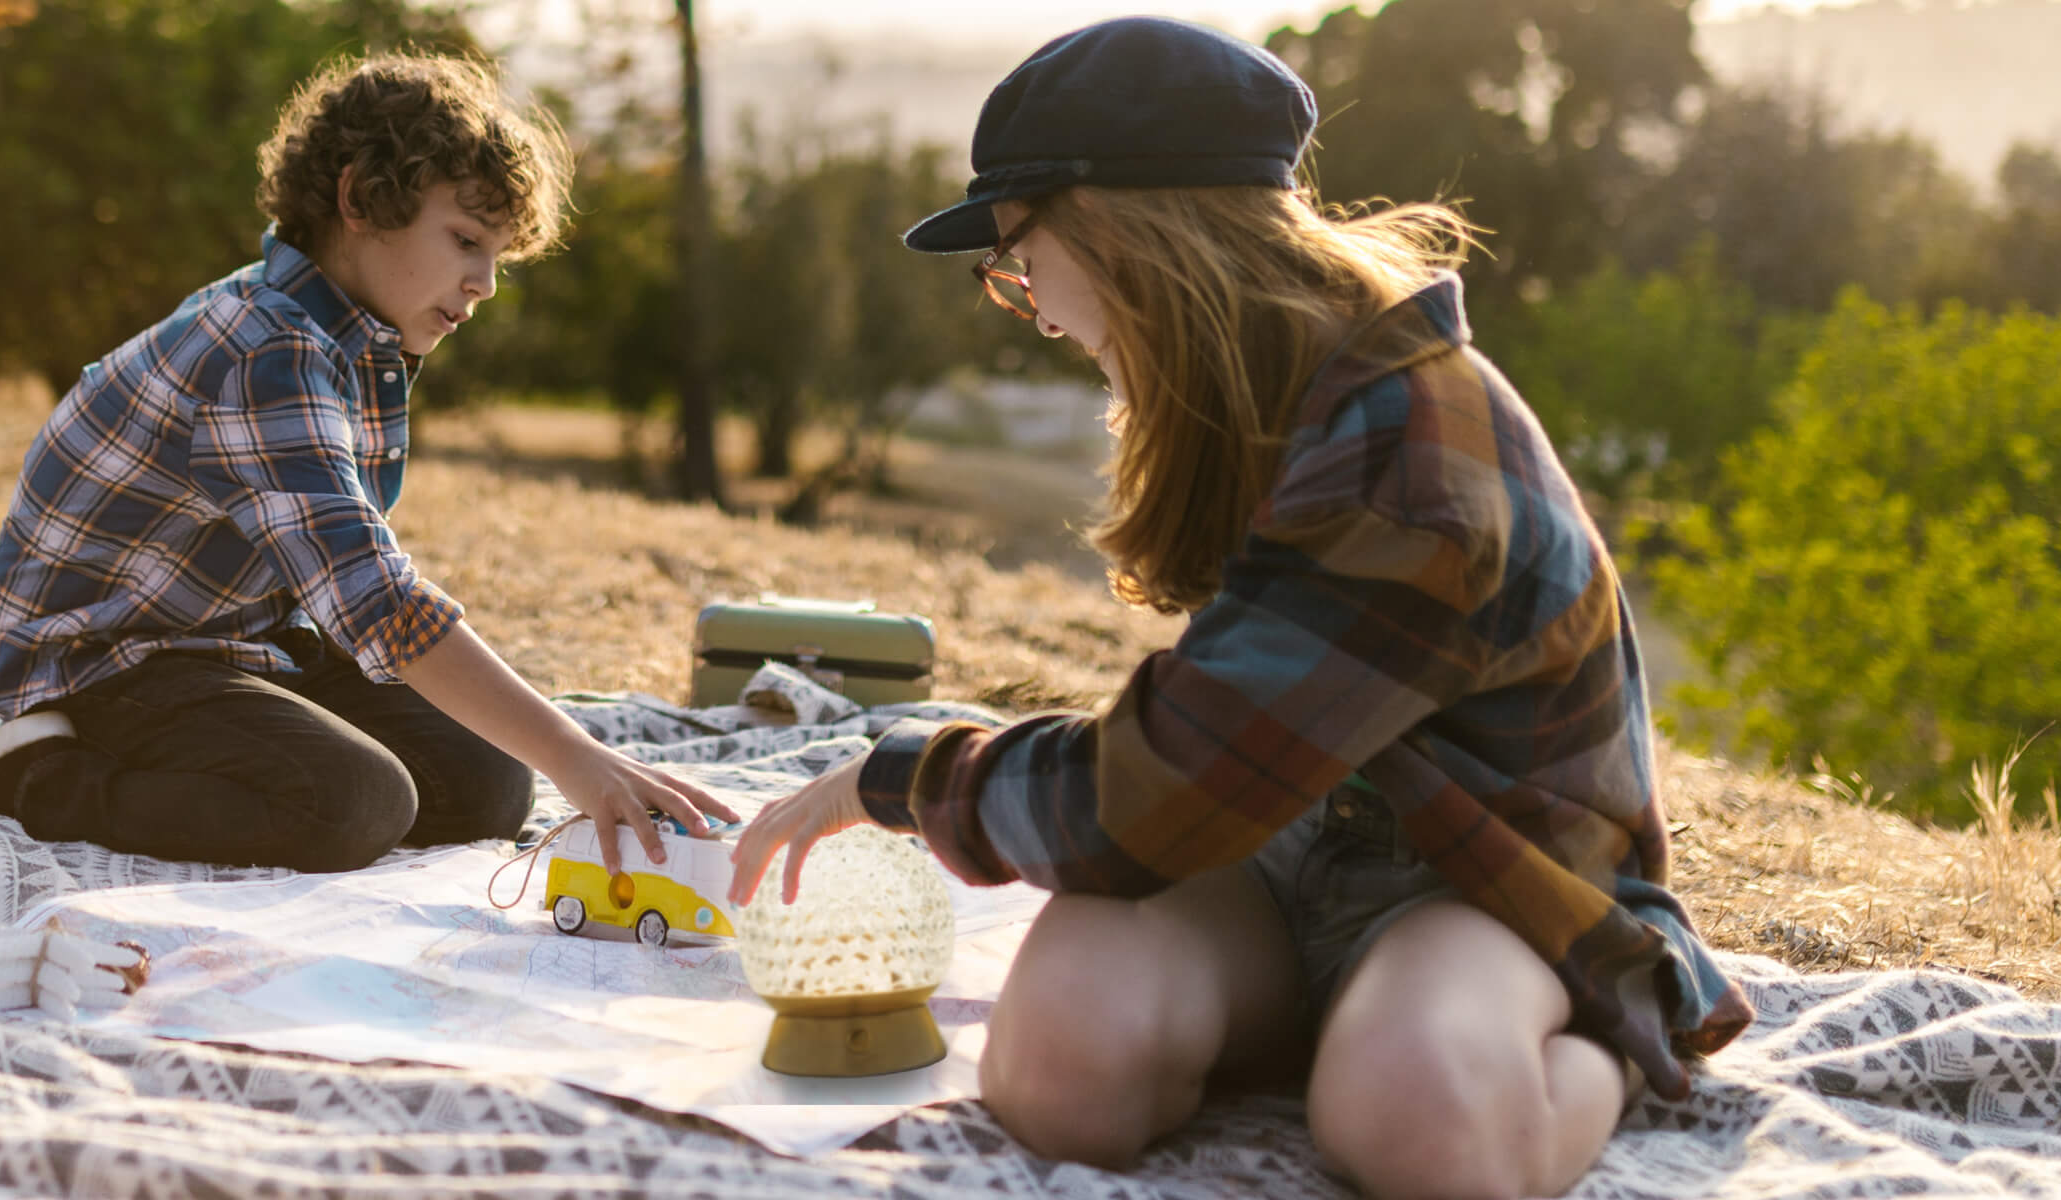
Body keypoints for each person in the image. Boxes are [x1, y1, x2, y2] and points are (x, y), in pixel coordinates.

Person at [726, 18, 1750, 1199]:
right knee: (1059, 1069)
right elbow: (1210, 770)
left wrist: (902, 777)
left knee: (1415, 1119)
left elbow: (1159, 794)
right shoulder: (1278, 392)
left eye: (1019, 259)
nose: (1036, 310)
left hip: (1480, 874)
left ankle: (1618, 1031)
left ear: (1121, 230)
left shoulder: (1408, 458)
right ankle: (1332, 1033)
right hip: (1289, 840)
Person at [0, 54, 732, 876]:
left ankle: (215, 757)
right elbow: (376, 599)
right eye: (464, 241)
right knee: (353, 804)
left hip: (231, 640)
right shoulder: (265, 350)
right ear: (358, 200)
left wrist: (550, 753)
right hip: (104, 660)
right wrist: (580, 755)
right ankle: (42, 776)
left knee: (488, 786)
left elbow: (342, 592)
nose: (484, 285)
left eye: (497, 257)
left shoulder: (345, 338)